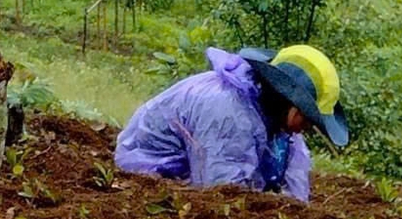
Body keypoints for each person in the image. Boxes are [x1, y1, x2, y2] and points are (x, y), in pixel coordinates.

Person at [114, 43, 348, 202]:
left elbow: (295, 190)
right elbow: (222, 195)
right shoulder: (229, 115)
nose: (305, 128)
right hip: (152, 175)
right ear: (293, 107)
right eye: (308, 119)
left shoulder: (275, 121)